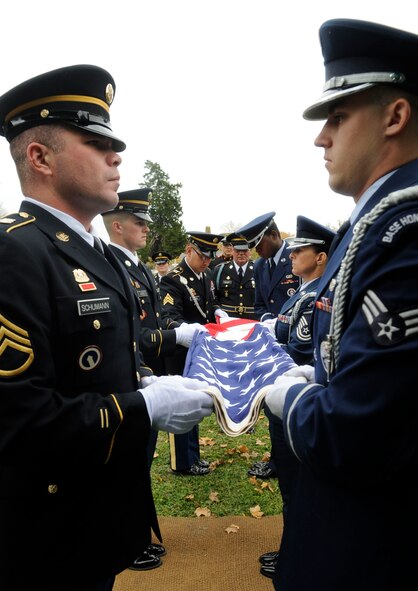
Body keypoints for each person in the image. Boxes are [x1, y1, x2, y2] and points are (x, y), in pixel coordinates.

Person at [0, 64, 213, 591]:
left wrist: (144, 382)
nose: (116, 156)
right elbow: (18, 421)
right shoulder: (15, 252)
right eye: (96, 143)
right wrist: (144, 407)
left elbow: (89, 361)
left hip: (95, 517)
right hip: (43, 535)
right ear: (40, 156)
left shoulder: (98, 253)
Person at [264, 19, 418, 591]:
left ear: (395, 117)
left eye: (338, 117)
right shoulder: (376, 222)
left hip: (375, 547)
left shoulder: (404, 225)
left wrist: (293, 395)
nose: (320, 137)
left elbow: (358, 436)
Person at [102, 188, 202, 572]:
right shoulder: (110, 265)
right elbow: (132, 336)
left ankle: (137, 535)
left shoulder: (139, 267)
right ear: (117, 225)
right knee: (128, 465)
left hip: (145, 374)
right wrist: (173, 337)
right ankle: (128, 540)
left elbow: (150, 323)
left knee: (140, 461)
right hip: (128, 380)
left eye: (146, 222)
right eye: (139, 222)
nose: (146, 229)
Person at [258, 216, 335, 579]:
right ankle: (293, 550)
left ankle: (295, 556)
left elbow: (298, 349)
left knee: (297, 486)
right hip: (285, 395)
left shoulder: (316, 296)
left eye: (300, 250)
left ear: (320, 257)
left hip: (297, 397)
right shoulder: (303, 294)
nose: (291, 255)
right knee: (290, 484)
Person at [237, 212, 300, 479]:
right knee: (274, 405)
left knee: (294, 403)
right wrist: (268, 322)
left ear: (274, 235)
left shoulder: (297, 257)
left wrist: (284, 325)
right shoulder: (260, 266)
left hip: (298, 344)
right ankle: (277, 461)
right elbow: (260, 304)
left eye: (258, 244)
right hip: (273, 344)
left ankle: (296, 459)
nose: (255, 250)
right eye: (252, 246)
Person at [160, 231, 227, 475]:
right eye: (203, 256)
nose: (208, 261)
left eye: (211, 257)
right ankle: (182, 462)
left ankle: (193, 456)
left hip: (198, 350)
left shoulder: (206, 274)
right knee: (180, 405)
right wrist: (186, 329)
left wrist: (218, 311)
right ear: (189, 250)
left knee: (193, 404)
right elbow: (167, 317)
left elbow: (210, 302)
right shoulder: (172, 280)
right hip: (179, 351)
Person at [213, 233, 256, 319]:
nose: (241, 254)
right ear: (232, 251)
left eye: (244, 251)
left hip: (252, 320)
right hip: (227, 319)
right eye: (237, 251)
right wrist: (216, 309)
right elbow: (214, 296)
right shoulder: (220, 270)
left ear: (249, 251)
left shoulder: (258, 269)